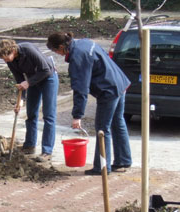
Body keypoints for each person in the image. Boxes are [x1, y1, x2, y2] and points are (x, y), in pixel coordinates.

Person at [46, 32, 132, 175]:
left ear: (62, 46)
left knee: (102, 130)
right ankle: (123, 160)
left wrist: (77, 116)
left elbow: (81, 89)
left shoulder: (78, 57)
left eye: (56, 51)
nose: (57, 54)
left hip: (108, 90)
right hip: (119, 83)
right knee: (118, 122)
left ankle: (102, 167)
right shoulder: (84, 42)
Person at [0, 39, 59, 162]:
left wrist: (28, 82)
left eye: (5, 57)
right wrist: (21, 99)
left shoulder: (28, 49)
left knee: (48, 116)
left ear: (12, 50)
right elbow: (19, 79)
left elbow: (45, 69)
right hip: (32, 81)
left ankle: (47, 151)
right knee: (31, 114)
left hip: (48, 78)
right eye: (3, 58)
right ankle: (29, 145)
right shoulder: (11, 61)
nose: (5, 60)